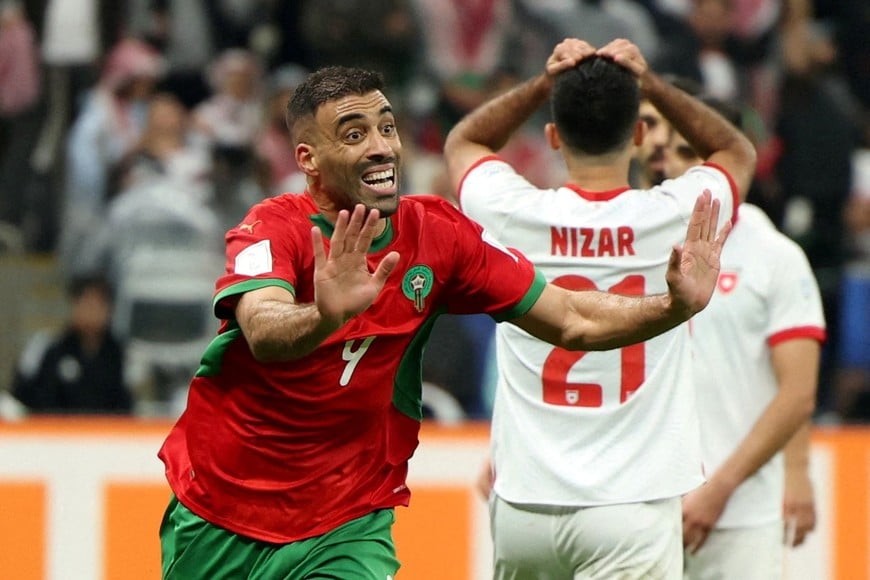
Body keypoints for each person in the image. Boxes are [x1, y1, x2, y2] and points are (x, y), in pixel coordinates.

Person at [157, 63, 732, 579]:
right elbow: (262, 329)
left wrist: (671, 308)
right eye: (354, 135)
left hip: (348, 518)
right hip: (222, 509)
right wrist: (325, 313)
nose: (381, 148)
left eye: (387, 127)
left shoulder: (438, 234)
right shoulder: (273, 226)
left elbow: (570, 316)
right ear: (308, 159)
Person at [445, 38, 756, 578]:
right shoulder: (675, 214)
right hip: (631, 502)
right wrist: (650, 81)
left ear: (553, 137)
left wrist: (545, 82)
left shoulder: (510, 210)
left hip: (524, 501)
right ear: (638, 135)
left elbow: (464, 141)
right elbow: (736, 151)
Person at [663, 97, 826, 579]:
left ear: (735, 161)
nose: (684, 168)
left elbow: (797, 393)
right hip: (649, 507)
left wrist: (723, 488)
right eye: (675, 152)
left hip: (743, 513)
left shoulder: (775, 257)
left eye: (698, 154)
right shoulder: (642, 247)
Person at [11, 273, 131, 414]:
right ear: (74, 305)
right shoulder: (50, 348)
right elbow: (23, 394)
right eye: (87, 304)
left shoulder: (120, 354)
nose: (92, 312)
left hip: (105, 427)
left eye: (99, 305)